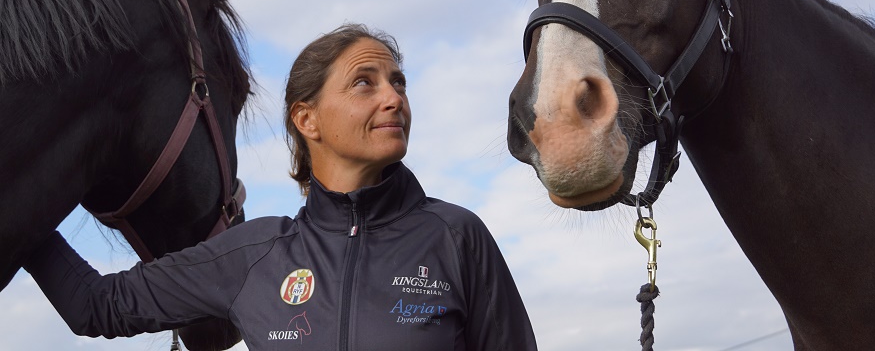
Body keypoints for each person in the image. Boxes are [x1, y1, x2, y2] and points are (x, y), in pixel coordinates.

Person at [24, 23, 538, 351]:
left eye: (398, 82)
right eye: (365, 82)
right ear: (307, 119)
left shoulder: (456, 237)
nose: (394, 98)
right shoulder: (253, 255)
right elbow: (95, 305)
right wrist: (18, 201)